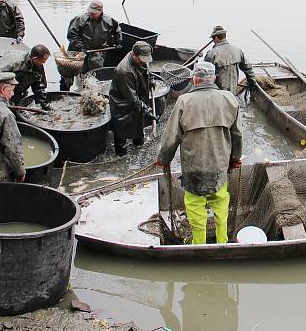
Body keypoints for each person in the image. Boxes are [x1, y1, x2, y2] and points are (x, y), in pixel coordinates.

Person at [156, 61, 242, 245]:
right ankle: (222, 243)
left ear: (194, 80)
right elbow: (237, 135)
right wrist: (235, 159)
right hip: (219, 168)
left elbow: (171, 138)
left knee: (196, 209)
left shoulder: (184, 101)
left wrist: (163, 159)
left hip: (194, 169)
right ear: (214, 79)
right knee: (220, 205)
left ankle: (199, 246)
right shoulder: (229, 99)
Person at [109, 41, 157, 156]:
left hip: (137, 102)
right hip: (122, 106)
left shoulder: (141, 60)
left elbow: (147, 71)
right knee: (121, 137)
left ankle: (138, 147)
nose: (144, 62)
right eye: (141, 59)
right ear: (134, 54)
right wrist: (148, 111)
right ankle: (121, 159)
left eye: (146, 59)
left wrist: (151, 80)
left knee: (139, 134)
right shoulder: (124, 71)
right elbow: (133, 100)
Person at [62, 0, 122, 90]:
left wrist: (117, 42)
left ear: (100, 12)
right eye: (90, 11)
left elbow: (117, 31)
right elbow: (72, 36)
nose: (91, 14)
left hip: (97, 51)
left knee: (96, 74)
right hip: (77, 51)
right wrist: (81, 47)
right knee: (68, 73)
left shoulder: (109, 21)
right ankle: (65, 91)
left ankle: (90, 93)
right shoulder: (80, 19)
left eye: (94, 12)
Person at [0, 44, 52, 109]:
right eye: (43, 61)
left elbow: (39, 87)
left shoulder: (38, 66)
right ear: (35, 58)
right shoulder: (14, 61)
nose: (44, 63)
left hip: (17, 91)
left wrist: (44, 104)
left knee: (16, 110)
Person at [203, 25, 256, 94]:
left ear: (216, 38)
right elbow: (248, 69)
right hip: (232, 92)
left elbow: (204, 75)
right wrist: (252, 84)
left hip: (217, 93)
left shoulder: (211, 53)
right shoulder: (237, 50)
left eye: (213, 38)